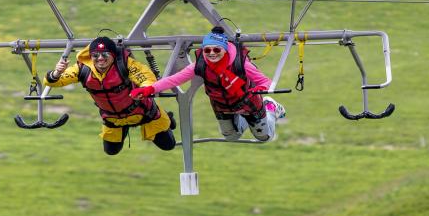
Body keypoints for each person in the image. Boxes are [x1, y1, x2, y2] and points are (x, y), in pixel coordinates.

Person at [131, 26, 285, 142]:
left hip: (247, 100)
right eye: (207, 50)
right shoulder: (201, 64)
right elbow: (175, 79)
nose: (212, 53)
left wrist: (261, 89)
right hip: (222, 104)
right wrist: (150, 89)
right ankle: (243, 118)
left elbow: (266, 81)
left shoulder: (240, 63)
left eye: (216, 49)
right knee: (231, 136)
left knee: (264, 136)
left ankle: (270, 106)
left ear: (224, 50)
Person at [44, 36, 176, 155]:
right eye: (96, 55)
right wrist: (56, 73)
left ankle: (167, 119)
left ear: (113, 55)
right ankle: (123, 129)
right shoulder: (82, 69)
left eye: (105, 54)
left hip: (143, 112)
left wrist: (144, 89)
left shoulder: (125, 64)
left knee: (168, 145)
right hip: (113, 119)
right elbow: (53, 81)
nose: (100, 58)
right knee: (111, 151)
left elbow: (145, 77)